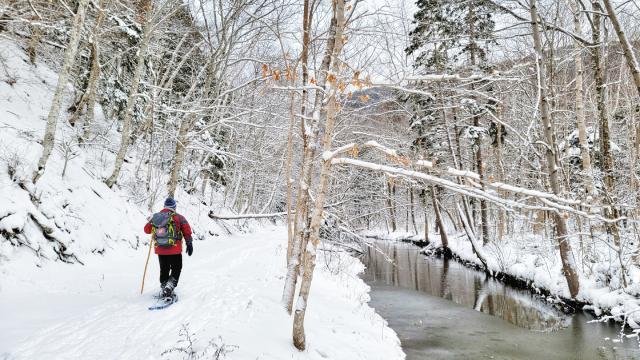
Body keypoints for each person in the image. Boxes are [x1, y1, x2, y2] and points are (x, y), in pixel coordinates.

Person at [144, 197, 193, 297]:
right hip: (175, 249)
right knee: (176, 267)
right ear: (174, 207)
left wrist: (151, 220)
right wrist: (189, 243)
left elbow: (146, 230)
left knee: (164, 268)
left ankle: (164, 286)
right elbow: (186, 231)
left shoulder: (156, 217)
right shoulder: (179, 217)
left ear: (164, 206)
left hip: (160, 249)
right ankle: (169, 287)